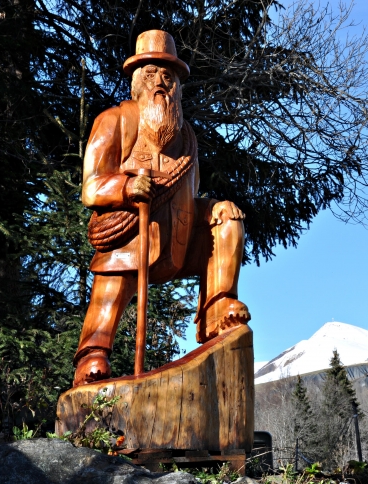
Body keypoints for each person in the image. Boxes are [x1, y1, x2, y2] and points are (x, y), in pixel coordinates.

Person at [73, 30, 250, 387]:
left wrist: (216, 211)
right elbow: (91, 187)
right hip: (130, 234)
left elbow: (192, 190)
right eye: (152, 75)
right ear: (137, 81)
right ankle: (93, 353)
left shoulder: (188, 138)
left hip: (179, 238)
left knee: (227, 215)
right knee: (112, 287)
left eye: (168, 77)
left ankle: (218, 308)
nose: (161, 84)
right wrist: (126, 186)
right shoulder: (115, 121)